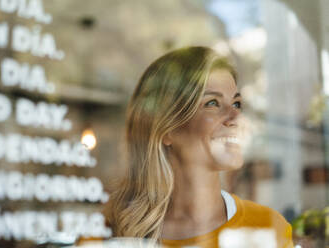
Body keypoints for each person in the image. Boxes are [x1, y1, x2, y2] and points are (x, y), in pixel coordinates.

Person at [103, 46, 293, 248]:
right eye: (212, 103)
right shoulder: (109, 230)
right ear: (166, 128)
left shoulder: (268, 230)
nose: (236, 117)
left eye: (237, 104)